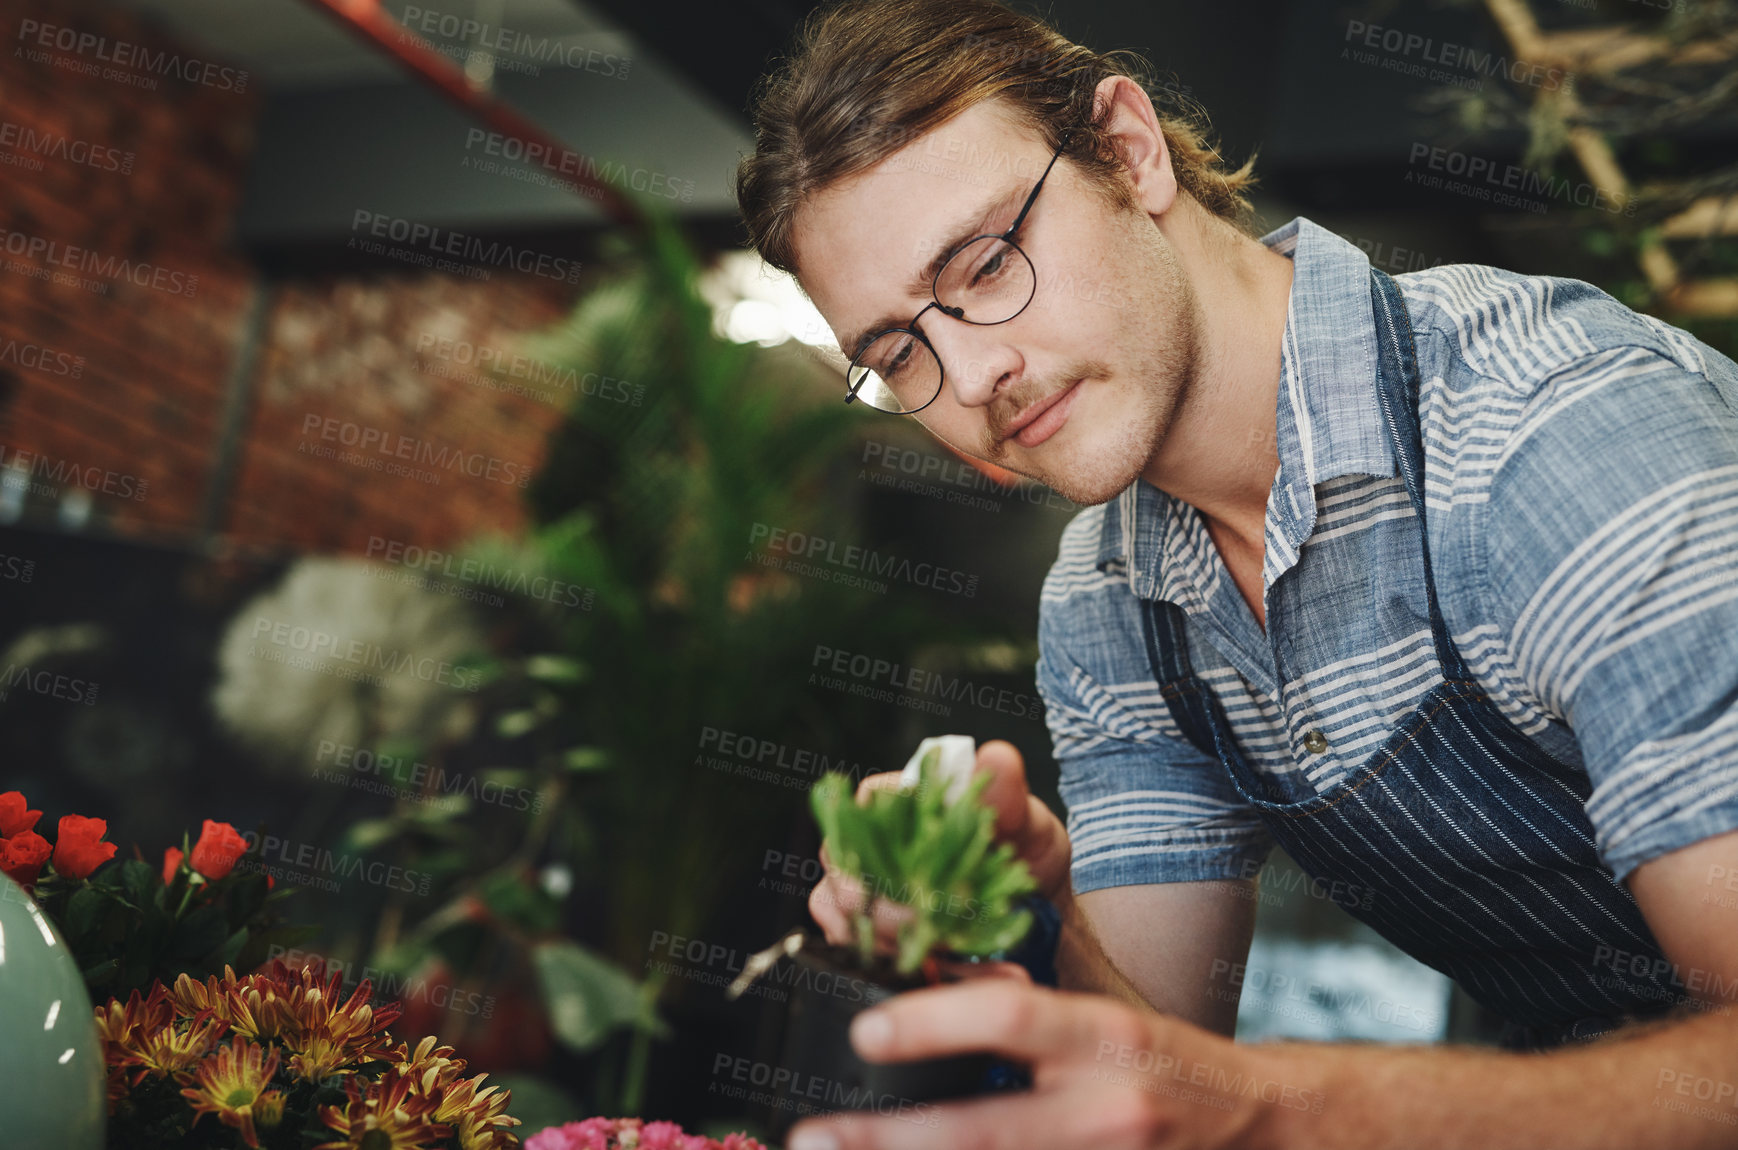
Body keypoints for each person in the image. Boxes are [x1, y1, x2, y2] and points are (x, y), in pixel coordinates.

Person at [733, 1, 1738, 1146]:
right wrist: (1037, 916)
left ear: (1127, 148)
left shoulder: (1554, 435)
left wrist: (1274, 1111)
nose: (973, 377)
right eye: (900, 351)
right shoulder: (1111, 604)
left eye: (986, 261)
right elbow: (1148, 1085)